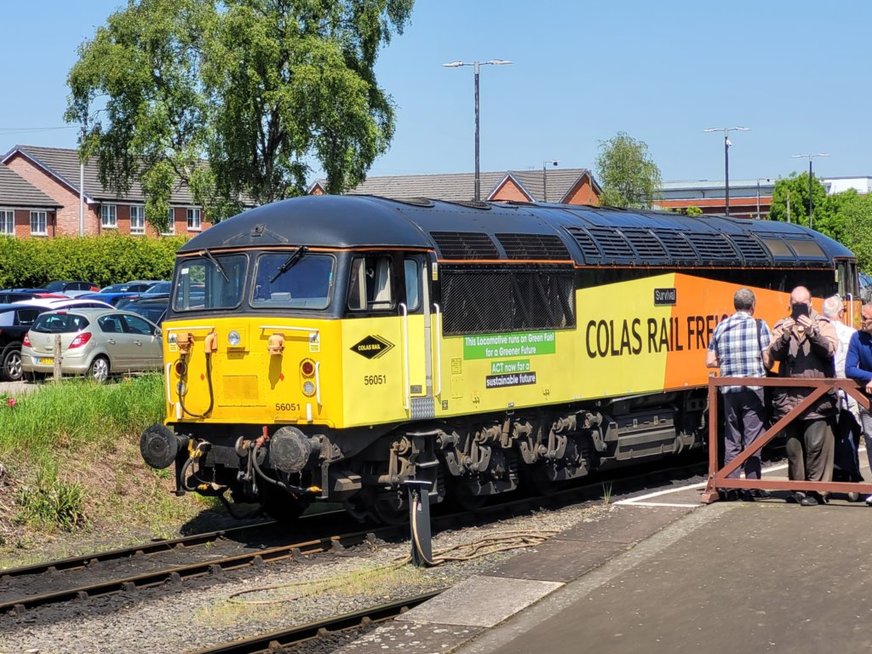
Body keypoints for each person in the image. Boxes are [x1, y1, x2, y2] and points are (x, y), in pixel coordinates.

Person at [768, 286, 837, 506]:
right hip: (789, 399)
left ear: (811, 304)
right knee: (793, 448)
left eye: (803, 303)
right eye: (795, 303)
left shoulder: (824, 325)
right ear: (790, 304)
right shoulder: (781, 325)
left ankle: (817, 491)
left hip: (817, 399)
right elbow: (773, 355)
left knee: (816, 446)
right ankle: (798, 488)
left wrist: (812, 333)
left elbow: (830, 351)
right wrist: (785, 337)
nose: (799, 308)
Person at [706, 288, 772, 500]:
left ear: (734, 305)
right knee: (753, 437)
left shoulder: (721, 327)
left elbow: (709, 361)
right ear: (753, 305)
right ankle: (751, 485)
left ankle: (730, 485)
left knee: (732, 436)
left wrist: (728, 361)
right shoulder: (759, 325)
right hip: (753, 389)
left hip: (729, 389)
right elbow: (767, 360)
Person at [821, 295, 862, 490]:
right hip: (848, 391)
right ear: (841, 312)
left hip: (822, 392)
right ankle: (852, 476)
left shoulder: (818, 333)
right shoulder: (851, 334)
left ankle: (829, 477)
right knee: (850, 431)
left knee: (827, 434)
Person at [845, 302, 872, 505]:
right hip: (867, 400)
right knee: (871, 442)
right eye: (861, 317)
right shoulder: (857, 337)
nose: (861, 322)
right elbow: (850, 369)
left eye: (865, 319)